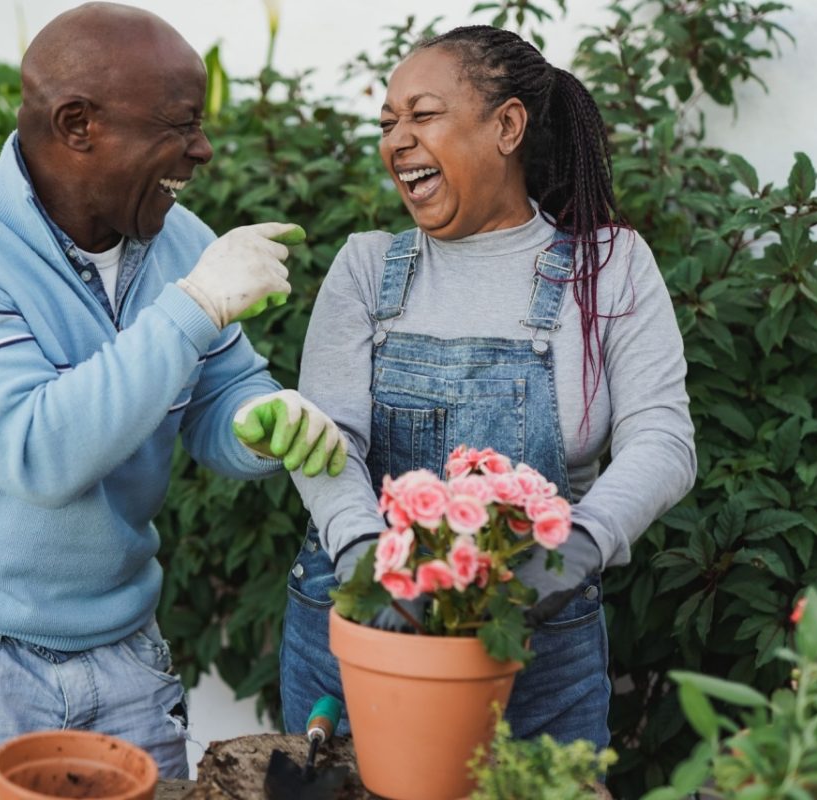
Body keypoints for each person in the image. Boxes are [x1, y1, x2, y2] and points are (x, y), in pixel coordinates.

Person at [0, 2, 345, 776]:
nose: (203, 148)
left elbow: (218, 394)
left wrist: (260, 417)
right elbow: (36, 454)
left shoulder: (175, 238)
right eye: (178, 123)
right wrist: (193, 307)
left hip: (127, 653)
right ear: (78, 124)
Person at [280, 25, 696, 748]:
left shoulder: (610, 267)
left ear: (506, 125)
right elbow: (329, 440)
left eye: (422, 114)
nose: (397, 140)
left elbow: (663, 439)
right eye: (387, 123)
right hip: (361, 631)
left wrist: (573, 551)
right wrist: (362, 565)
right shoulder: (366, 268)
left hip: (539, 644)